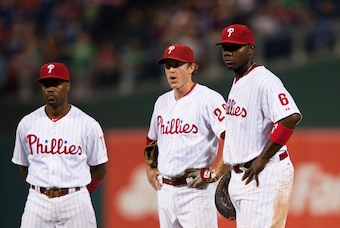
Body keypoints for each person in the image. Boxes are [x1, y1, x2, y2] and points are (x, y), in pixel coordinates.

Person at [215, 24, 302, 227]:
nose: (228, 53)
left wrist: (263, 158)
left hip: (265, 172)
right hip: (243, 174)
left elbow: (290, 117)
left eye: (235, 47)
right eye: (225, 48)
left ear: (251, 49)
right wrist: (223, 169)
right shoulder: (238, 82)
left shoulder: (264, 81)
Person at [11, 62, 108, 228]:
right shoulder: (27, 123)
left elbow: (99, 169)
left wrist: (80, 192)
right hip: (37, 201)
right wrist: (39, 188)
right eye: (46, 84)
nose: (50, 89)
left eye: (56, 84)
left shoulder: (88, 124)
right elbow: (23, 166)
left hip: (75, 200)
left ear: (68, 86)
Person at [145, 43, 229, 228]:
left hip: (195, 191)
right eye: (168, 66)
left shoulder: (209, 99)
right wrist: (150, 168)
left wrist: (216, 173)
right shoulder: (162, 102)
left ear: (192, 68)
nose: (171, 71)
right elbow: (152, 139)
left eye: (177, 65)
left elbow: (232, 138)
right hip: (165, 190)